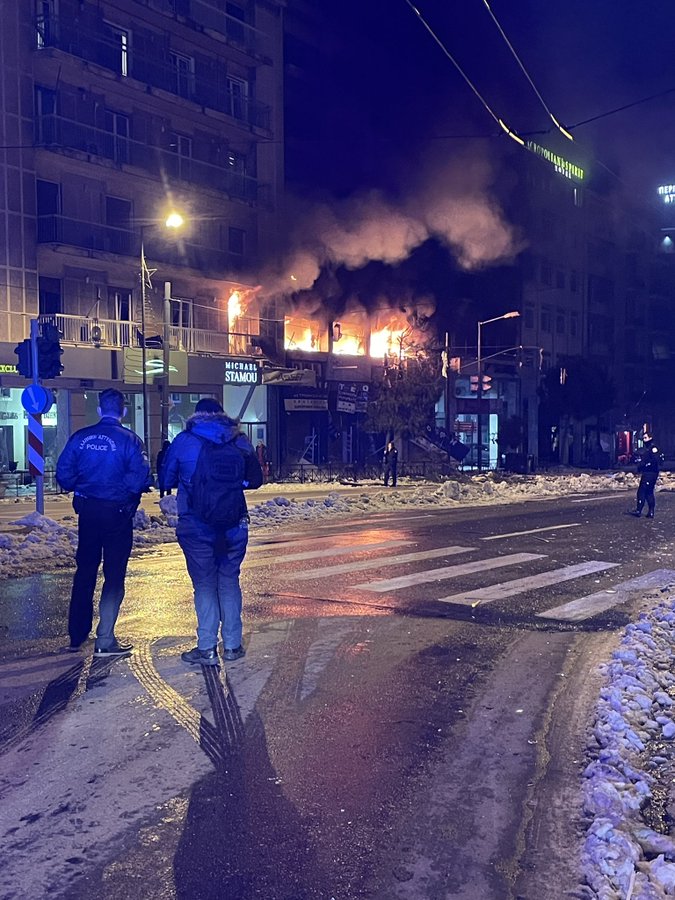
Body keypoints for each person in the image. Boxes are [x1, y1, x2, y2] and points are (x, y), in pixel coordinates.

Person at [161, 398, 263, 667]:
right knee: (229, 580)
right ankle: (232, 645)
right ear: (221, 414)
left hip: (196, 525)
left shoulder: (185, 440)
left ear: (196, 415)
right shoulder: (239, 439)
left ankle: (206, 647)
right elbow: (256, 480)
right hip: (234, 523)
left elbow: (166, 479)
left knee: (204, 584)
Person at [56, 388, 152, 657]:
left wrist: (84, 484)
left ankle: (77, 634)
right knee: (114, 574)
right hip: (117, 514)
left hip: (88, 512)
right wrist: (121, 490)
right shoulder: (131, 440)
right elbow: (139, 478)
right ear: (123, 411)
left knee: (85, 570)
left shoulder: (80, 438)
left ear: (99, 410)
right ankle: (105, 638)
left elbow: (64, 475)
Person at [628, 432, 663, 519]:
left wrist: (645, 465)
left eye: (645, 438)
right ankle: (650, 512)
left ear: (650, 438)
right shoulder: (648, 449)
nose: (644, 440)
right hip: (649, 473)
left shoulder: (653, 448)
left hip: (650, 473)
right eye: (643, 438)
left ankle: (639, 510)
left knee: (642, 491)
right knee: (648, 492)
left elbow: (656, 461)